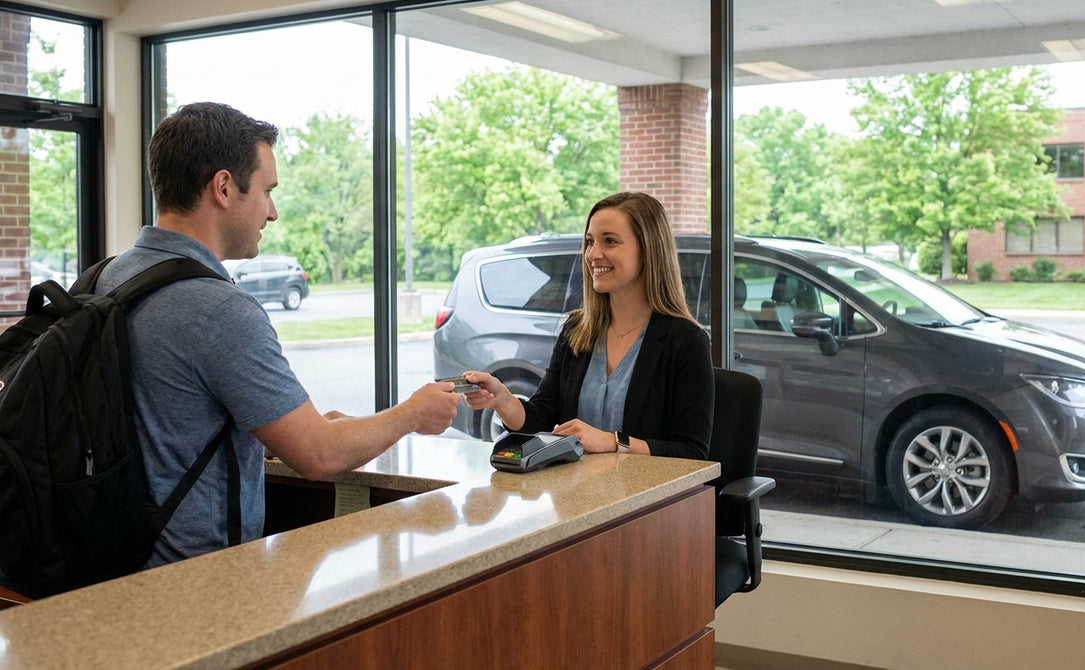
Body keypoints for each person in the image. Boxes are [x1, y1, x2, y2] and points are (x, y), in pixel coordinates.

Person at [95, 102, 462, 567]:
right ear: (224, 187)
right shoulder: (220, 310)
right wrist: (411, 413)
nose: (272, 212)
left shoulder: (104, 279)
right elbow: (317, 455)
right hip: (194, 585)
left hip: (99, 575)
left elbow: (163, 422)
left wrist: (286, 426)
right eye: (267, 191)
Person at [463, 192, 714, 459]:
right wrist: (503, 398)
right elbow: (543, 419)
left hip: (649, 496)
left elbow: (693, 452)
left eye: (610, 241)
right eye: (590, 242)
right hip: (579, 493)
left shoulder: (686, 340)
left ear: (648, 249)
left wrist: (613, 442)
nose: (593, 254)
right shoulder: (576, 330)